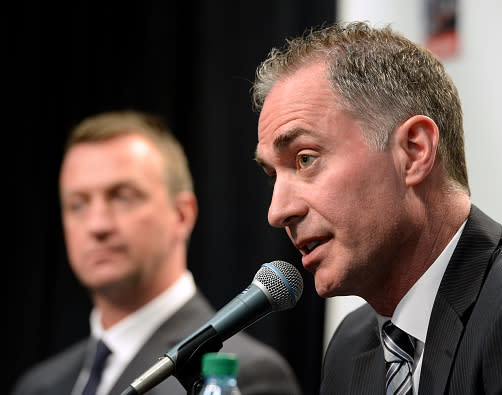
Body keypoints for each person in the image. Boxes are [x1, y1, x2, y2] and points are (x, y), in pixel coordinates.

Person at [251, 21, 502, 394]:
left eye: (305, 159)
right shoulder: (349, 348)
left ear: (414, 152)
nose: (277, 211)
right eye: (273, 175)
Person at [12, 110, 302, 395]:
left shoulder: (242, 376)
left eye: (122, 197)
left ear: (181, 214)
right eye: (78, 204)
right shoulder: (37, 385)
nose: (97, 225)